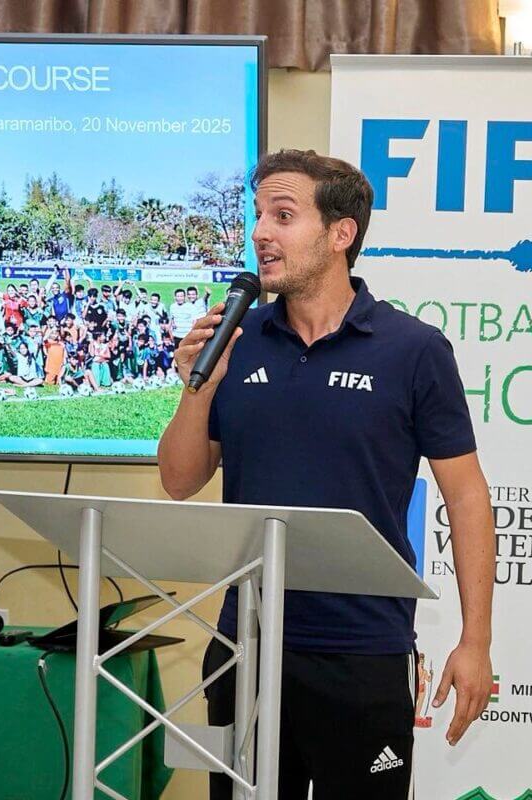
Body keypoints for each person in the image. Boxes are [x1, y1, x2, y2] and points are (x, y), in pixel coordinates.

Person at [157, 150, 496, 799]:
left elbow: (467, 497)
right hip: (246, 647)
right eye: (258, 214)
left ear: (341, 234)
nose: (261, 231)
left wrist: (474, 640)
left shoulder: (413, 350)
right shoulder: (239, 340)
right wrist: (197, 387)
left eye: (283, 215)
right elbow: (178, 480)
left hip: (363, 653)